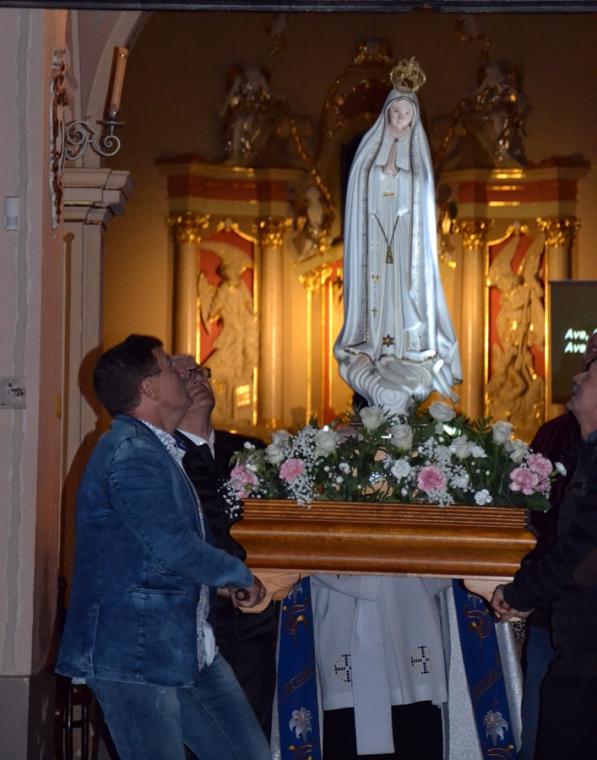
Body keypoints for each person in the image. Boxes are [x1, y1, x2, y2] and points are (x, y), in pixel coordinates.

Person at [55, 334, 271, 760]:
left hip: (185, 645)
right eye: (170, 367)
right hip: (136, 650)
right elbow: (172, 545)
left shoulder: (154, 447)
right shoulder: (133, 451)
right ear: (149, 388)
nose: (183, 375)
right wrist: (238, 575)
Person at [334, 61, 461, 412]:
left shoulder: (417, 159)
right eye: (396, 112)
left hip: (405, 241)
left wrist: (398, 177)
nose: (401, 119)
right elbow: (361, 188)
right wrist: (383, 174)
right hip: (375, 238)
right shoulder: (369, 153)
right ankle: (375, 346)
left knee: (402, 289)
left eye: (407, 115)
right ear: (387, 113)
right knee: (378, 290)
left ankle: (404, 350)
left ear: (413, 119)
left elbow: (420, 195)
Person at [492, 349, 597, 760]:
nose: (578, 378)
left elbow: (583, 554)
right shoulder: (580, 452)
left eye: (591, 373)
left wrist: (520, 593)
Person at [172, 353, 277, 739]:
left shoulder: (250, 450)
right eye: (183, 374)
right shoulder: (163, 457)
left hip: (255, 619)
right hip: (192, 619)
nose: (197, 379)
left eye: (200, 371)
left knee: (252, 731)